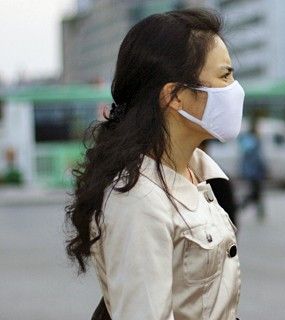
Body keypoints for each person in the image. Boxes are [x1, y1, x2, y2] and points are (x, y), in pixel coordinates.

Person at [65, 9, 244, 319]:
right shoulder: (137, 198)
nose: (235, 89)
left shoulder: (197, 173)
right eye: (225, 76)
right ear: (174, 96)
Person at [238, 118, 267, 221]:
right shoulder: (251, 140)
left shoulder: (252, 139)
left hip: (255, 171)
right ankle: (240, 207)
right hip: (253, 171)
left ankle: (260, 212)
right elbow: (253, 155)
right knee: (255, 192)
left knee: (257, 191)